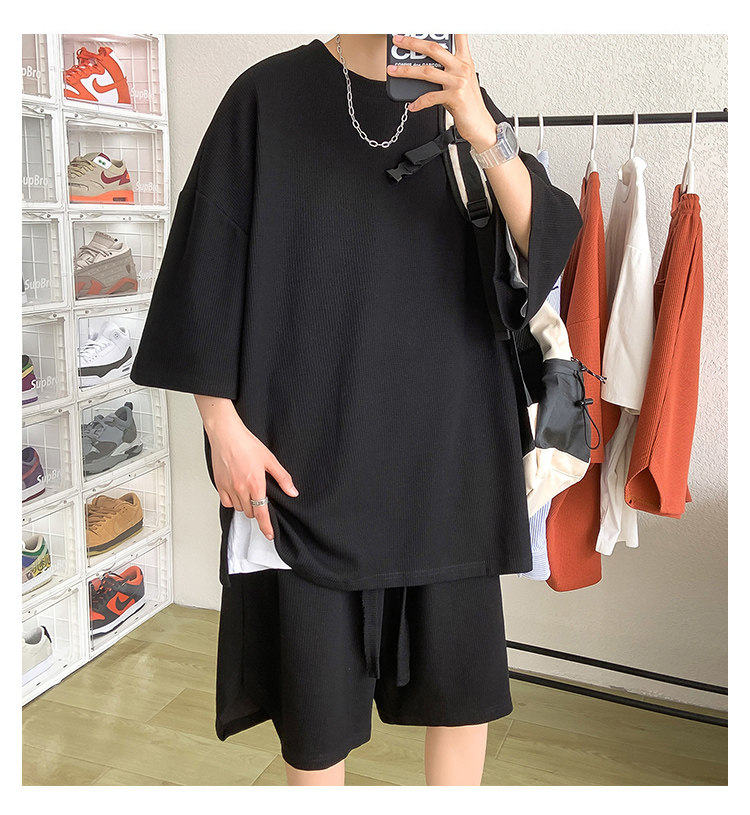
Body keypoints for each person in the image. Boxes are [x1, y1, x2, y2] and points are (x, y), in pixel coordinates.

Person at [129, 33, 583, 786]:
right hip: (305, 464)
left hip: (449, 461)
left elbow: (545, 245)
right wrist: (221, 425)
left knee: (460, 701)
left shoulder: (456, 97)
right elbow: (207, 264)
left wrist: (481, 128)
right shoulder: (265, 98)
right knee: (316, 726)